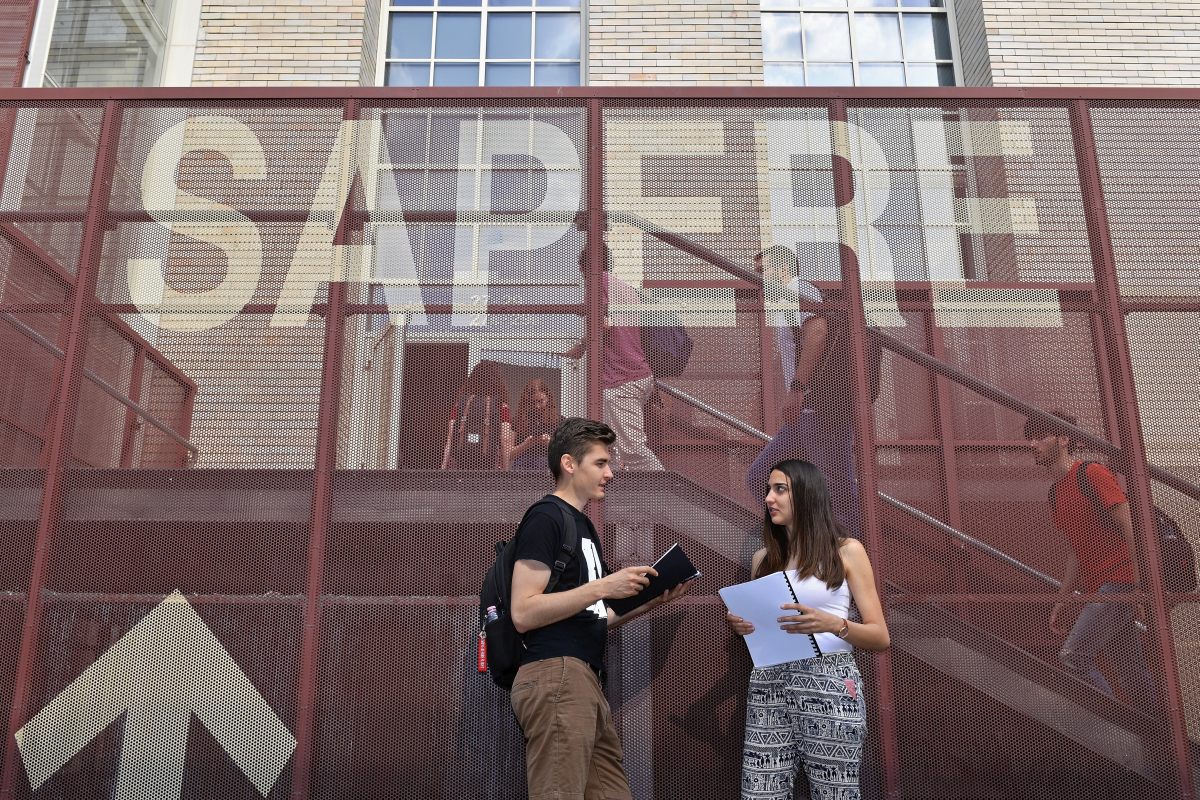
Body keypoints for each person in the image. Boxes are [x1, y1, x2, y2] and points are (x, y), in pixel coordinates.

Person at [509, 417, 691, 799]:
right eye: (601, 463)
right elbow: (523, 612)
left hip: (584, 679)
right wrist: (605, 585)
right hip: (556, 675)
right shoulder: (546, 518)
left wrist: (649, 600)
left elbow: (595, 617)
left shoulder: (584, 527)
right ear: (569, 464)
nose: (610, 473)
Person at [726, 459, 890, 800]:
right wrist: (745, 626)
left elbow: (880, 636)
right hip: (769, 683)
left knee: (836, 793)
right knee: (760, 793)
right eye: (768, 490)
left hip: (829, 682)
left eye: (780, 489)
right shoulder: (763, 559)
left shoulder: (846, 550)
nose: (769, 498)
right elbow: (765, 627)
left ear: (807, 495)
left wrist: (833, 624)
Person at [1025, 410, 1154, 705]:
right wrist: (1062, 599)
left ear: (1064, 439)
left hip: (1119, 583)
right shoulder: (1055, 493)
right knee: (1131, 671)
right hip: (1101, 588)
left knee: (1073, 656)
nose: (1032, 444)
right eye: (1029, 438)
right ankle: (1158, 736)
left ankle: (1116, 730)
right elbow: (1075, 551)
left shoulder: (1091, 474)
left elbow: (1128, 526)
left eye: (1040, 437)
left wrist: (1137, 586)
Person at [746, 245, 868, 537]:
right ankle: (805, 539)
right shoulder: (786, 301)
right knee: (760, 477)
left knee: (837, 491)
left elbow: (818, 332)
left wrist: (797, 389)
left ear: (784, 268)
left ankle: (846, 565)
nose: (760, 278)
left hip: (822, 410)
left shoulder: (799, 290)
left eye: (764, 271)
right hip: (804, 417)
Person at [567, 245, 663, 471]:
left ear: (583, 267)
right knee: (616, 448)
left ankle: (665, 491)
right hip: (633, 373)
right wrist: (582, 347)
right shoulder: (621, 286)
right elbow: (610, 323)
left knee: (632, 450)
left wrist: (582, 327)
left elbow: (602, 324)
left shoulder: (597, 283)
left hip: (622, 379)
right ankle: (635, 497)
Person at [440, 360, 514, 470]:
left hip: (461, 464)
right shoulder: (501, 406)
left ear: (473, 379)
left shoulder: (460, 404)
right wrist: (506, 472)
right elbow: (505, 440)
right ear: (497, 381)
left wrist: (443, 468)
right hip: (487, 467)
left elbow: (449, 438)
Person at [511, 378, 561, 471]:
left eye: (541, 401)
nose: (537, 407)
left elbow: (567, 452)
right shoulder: (518, 420)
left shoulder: (559, 421)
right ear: (527, 402)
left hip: (547, 468)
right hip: (522, 469)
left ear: (548, 399)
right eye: (533, 402)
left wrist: (550, 443)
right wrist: (526, 444)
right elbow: (509, 455)